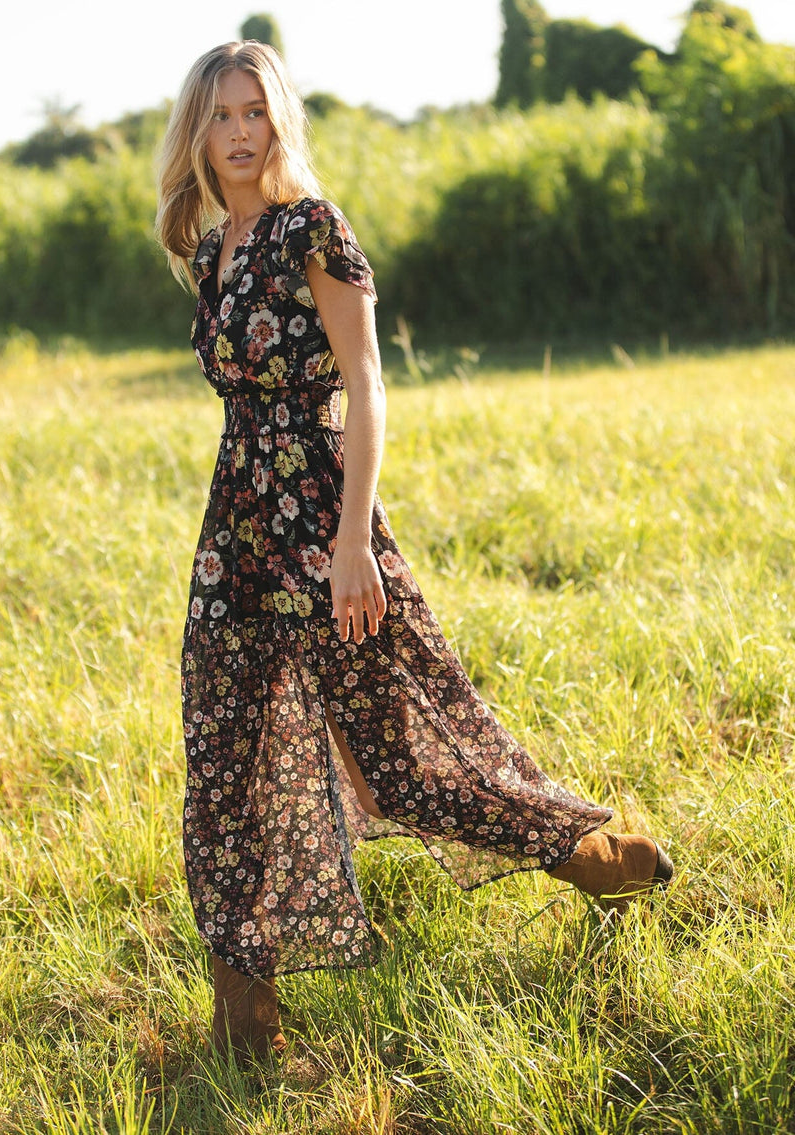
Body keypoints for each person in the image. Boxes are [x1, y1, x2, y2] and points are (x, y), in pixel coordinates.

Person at [155, 41, 673, 1066]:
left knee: (405, 765)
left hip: (322, 522)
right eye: (220, 115)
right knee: (222, 766)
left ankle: (597, 860)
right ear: (197, 133)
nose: (240, 131)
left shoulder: (313, 227)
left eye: (255, 110)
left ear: (278, 119)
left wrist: (353, 542)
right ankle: (245, 1028)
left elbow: (366, 384)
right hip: (234, 541)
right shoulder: (212, 251)